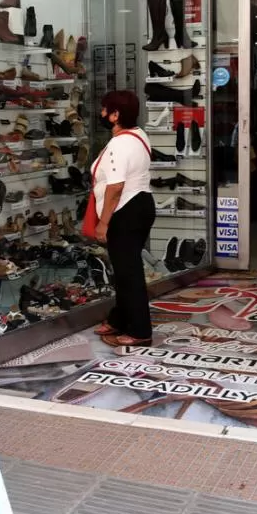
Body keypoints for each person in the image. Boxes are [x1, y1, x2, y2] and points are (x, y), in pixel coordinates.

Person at [91, 91, 155, 345]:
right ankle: (119, 318)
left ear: (116, 115)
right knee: (125, 270)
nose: (101, 114)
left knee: (129, 273)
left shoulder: (119, 144)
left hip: (125, 210)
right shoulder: (139, 135)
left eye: (105, 110)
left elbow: (115, 187)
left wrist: (103, 222)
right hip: (140, 205)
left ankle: (140, 331)